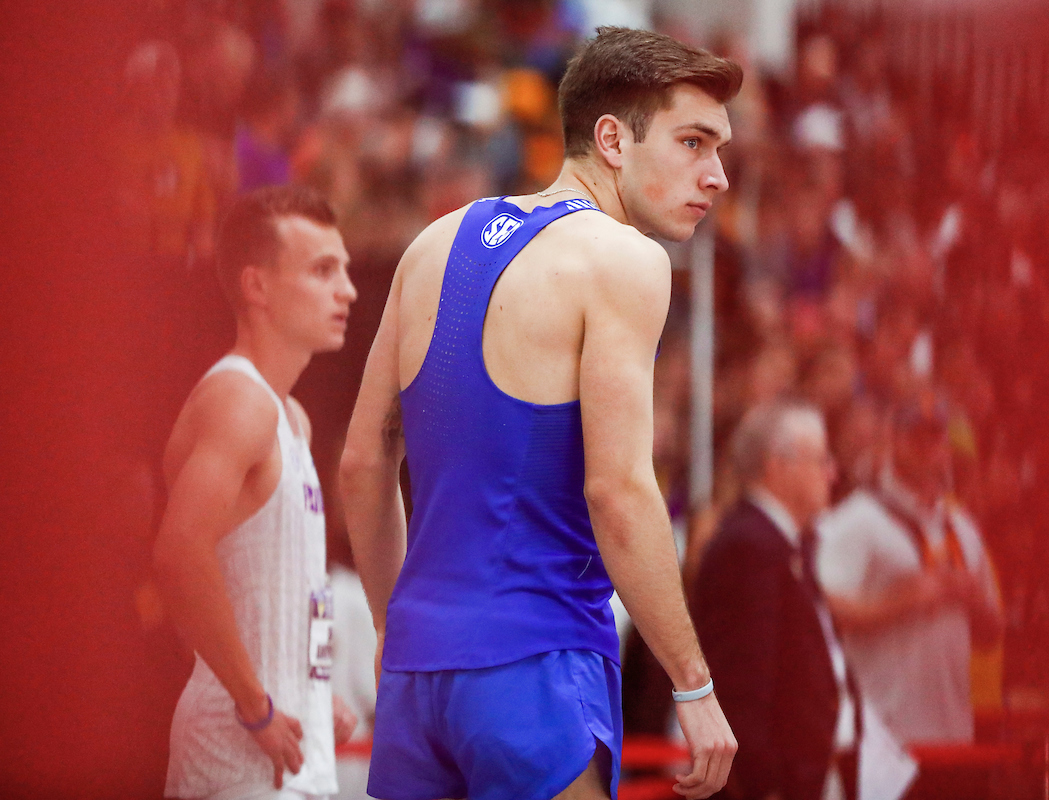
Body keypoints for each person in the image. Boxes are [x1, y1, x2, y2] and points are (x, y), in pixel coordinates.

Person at [340, 26, 741, 800]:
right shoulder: (624, 259)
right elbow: (618, 491)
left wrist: (397, 631)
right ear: (613, 141)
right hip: (534, 665)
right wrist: (692, 683)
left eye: (719, 148)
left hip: (417, 676)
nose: (717, 175)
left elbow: (363, 463)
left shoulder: (432, 245)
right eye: (693, 142)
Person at [154, 185, 360, 799]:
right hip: (238, 761)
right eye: (323, 270)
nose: (347, 290)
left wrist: (313, 688)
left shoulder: (292, 417)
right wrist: (254, 704)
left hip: (291, 754)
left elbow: (290, 589)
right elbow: (178, 553)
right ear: (257, 287)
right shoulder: (238, 401)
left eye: (345, 269)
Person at [815, 391, 1003, 746]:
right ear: (892, 441)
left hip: (954, 736)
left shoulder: (962, 527)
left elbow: (991, 634)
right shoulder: (858, 519)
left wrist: (972, 599)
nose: (929, 448)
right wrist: (901, 602)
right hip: (882, 740)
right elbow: (820, 610)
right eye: (917, 437)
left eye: (937, 436)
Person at [692, 404, 859, 800]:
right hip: (779, 782)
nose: (833, 473)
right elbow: (743, 684)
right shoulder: (750, 546)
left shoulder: (785, 543)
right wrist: (763, 784)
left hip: (811, 772)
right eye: (821, 460)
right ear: (778, 466)